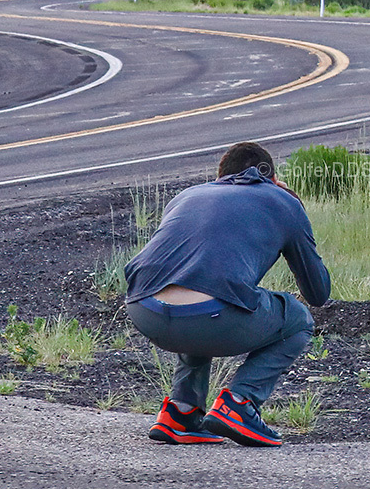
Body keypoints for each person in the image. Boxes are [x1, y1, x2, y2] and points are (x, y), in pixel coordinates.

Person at [124, 141, 330, 448]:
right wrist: (293, 205)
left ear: (220, 176)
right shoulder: (281, 200)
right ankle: (239, 403)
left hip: (143, 308)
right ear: (271, 178)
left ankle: (180, 412)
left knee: (200, 289)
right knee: (298, 318)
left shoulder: (188, 195)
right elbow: (317, 292)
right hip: (210, 316)